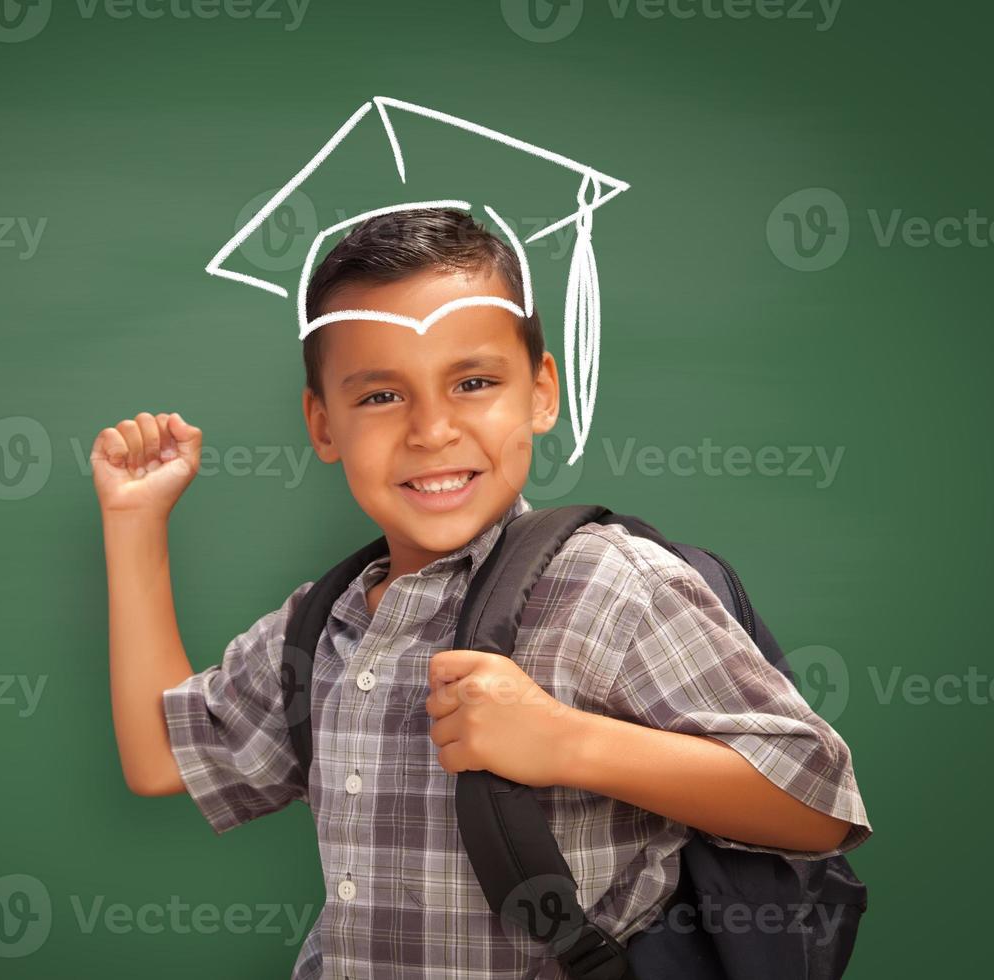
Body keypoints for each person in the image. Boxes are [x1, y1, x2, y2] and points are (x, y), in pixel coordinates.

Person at [90, 208, 871, 979]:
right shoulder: (320, 623)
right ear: (322, 424)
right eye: (379, 396)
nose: (431, 429)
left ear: (538, 392)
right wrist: (133, 523)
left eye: (472, 381)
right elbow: (164, 759)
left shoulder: (610, 585)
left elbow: (817, 803)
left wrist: (567, 742)